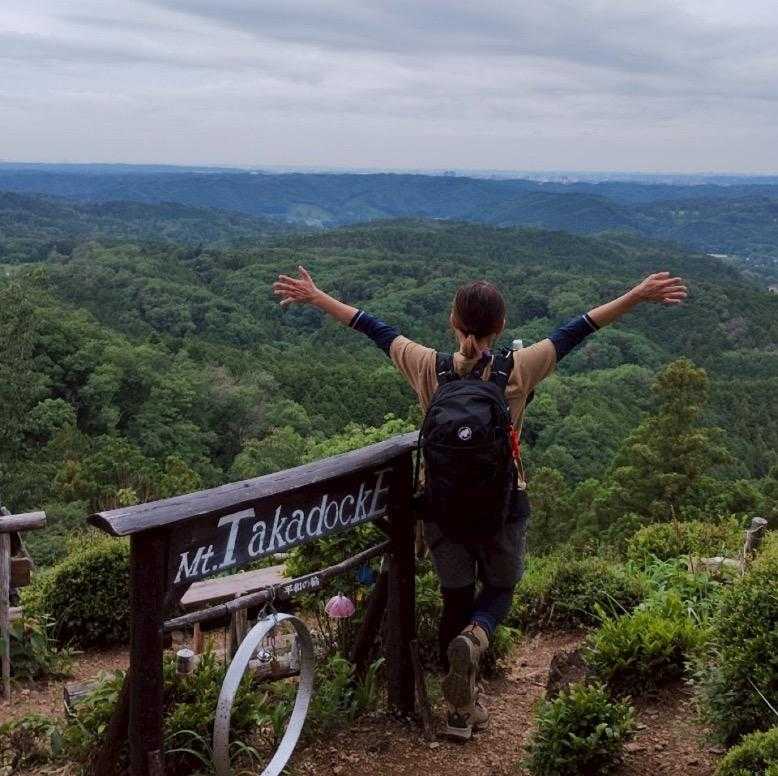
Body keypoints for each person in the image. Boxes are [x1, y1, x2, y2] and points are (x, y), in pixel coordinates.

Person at [272, 266, 687, 739]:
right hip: (503, 509)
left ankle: (460, 712)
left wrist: (316, 295)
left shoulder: (428, 367)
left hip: (441, 511)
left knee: (456, 597)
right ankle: (478, 635)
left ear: (453, 322)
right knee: (500, 589)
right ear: (501, 326)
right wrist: (636, 294)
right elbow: (578, 328)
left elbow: (373, 327)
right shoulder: (520, 367)